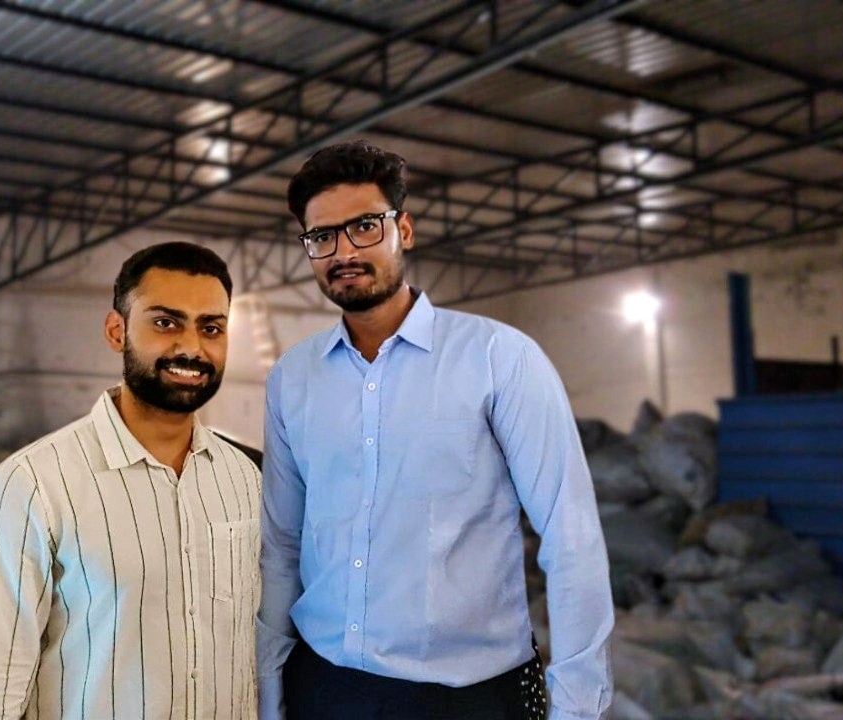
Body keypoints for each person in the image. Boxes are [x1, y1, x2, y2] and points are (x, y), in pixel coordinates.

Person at [256, 141, 613, 720]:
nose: (343, 251)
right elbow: (282, 545)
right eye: (322, 237)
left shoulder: (499, 359)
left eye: (365, 227)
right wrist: (269, 686)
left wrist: (577, 707)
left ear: (405, 230)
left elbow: (571, 540)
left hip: (467, 697)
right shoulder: (292, 379)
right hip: (322, 687)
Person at [0, 242, 262, 720]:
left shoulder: (245, 478)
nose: (191, 347)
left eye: (211, 328)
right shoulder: (33, 483)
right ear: (117, 331)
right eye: (165, 323)